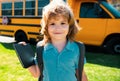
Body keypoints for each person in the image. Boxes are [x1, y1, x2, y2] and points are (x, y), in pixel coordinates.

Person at [21, 0, 88, 81]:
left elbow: (81, 74)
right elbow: (36, 73)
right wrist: (23, 54)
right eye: (52, 24)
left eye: (62, 23)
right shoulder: (41, 48)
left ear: (70, 26)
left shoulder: (77, 48)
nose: (58, 28)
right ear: (46, 27)